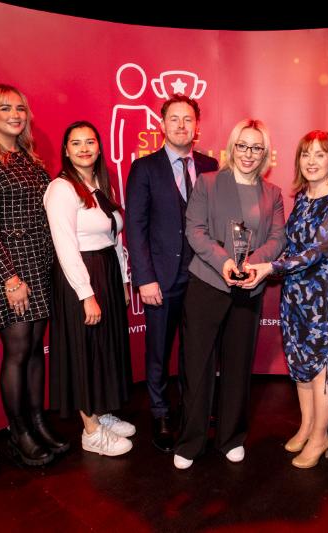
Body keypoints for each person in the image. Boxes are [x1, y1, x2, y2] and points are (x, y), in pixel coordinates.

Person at [0, 84, 66, 466]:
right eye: (5, 108)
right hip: (10, 270)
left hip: (39, 262)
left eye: (20, 108)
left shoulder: (29, 158)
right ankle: (18, 431)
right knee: (18, 351)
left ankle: (38, 422)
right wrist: (10, 279)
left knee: (37, 348)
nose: (15, 114)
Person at [173, 118, 286, 469]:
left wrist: (253, 265)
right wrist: (224, 263)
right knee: (197, 364)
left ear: (265, 153)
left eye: (256, 147)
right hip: (208, 282)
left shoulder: (273, 193)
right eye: (242, 145)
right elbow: (195, 230)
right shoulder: (207, 183)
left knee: (237, 366)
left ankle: (231, 436)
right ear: (231, 147)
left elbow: (278, 239)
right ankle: (190, 441)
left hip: (248, 289)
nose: (249, 154)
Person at [245, 130, 328, 469]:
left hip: (321, 296)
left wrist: (270, 267)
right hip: (294, 294)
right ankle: (307, 427)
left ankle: (322, 436)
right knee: (301, 367)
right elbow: (290, 245)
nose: (312, 161)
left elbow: (318, 251)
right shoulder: (304, 197)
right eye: (306, 154)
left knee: (321, 369)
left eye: (320, 154)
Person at [125, 94, 219, 452]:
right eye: (174, 119)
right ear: (162, 125)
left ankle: (193, 409)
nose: (182, 125)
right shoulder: (145, 168)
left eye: (188, 119)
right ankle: (161, 412)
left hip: (204, 277)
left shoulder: (210, 166)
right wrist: (144, 277)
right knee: (159, 351)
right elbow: (135, 226)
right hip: (161, 279)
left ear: (197, 126)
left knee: (197, 350)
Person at [45, 121, 135, 456]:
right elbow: (65, 245)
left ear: (99, 147)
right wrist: (86, 294)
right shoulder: (61, 189)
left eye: (90, 142)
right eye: (76, 143)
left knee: (101, 347)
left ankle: (100, 412)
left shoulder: (100, 185)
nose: (84, 148)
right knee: (83, 349)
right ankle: (90, 430)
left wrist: (123, 281)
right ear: (66, 150)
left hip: (106, 271)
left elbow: (114, 238)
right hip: (79, 276)